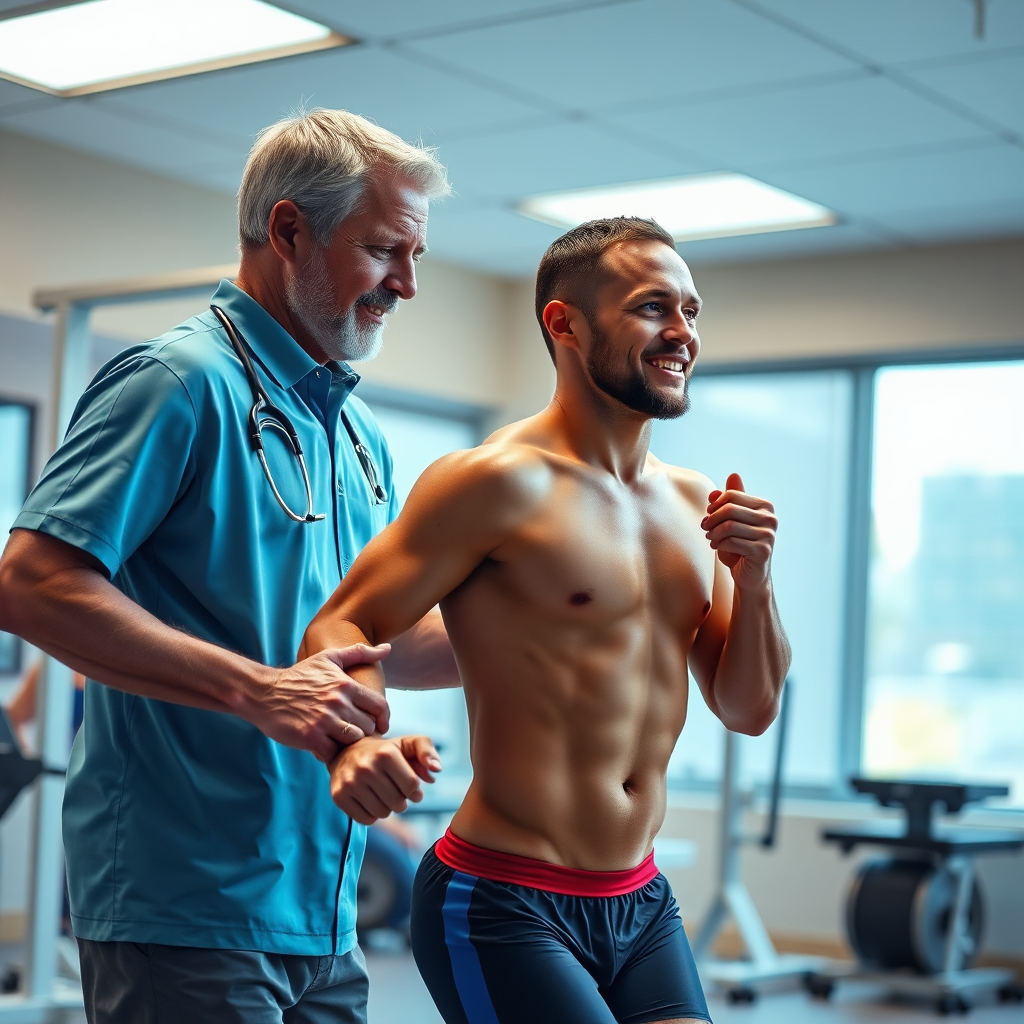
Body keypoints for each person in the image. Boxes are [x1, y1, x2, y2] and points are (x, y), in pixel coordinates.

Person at [0, 109, 458, 1024]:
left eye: (416, 258)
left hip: (320, 906)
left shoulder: (356, 433)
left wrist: (565, 620)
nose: (406, 284)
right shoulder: (178, 382)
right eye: (383, 251)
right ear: (289, 230)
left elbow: (382, 642)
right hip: (187, 901)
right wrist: (259, 689)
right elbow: (30, 582)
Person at [301, 216, 792, 1024]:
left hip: (639, 899)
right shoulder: (493, 482)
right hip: (501, 898)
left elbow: (748, 708)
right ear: (564, 323)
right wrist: (357, 744)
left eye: (692, 312)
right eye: (652, 308)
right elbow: (344, 622)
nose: (681, 333)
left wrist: (757, 577)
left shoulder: (696, 503)